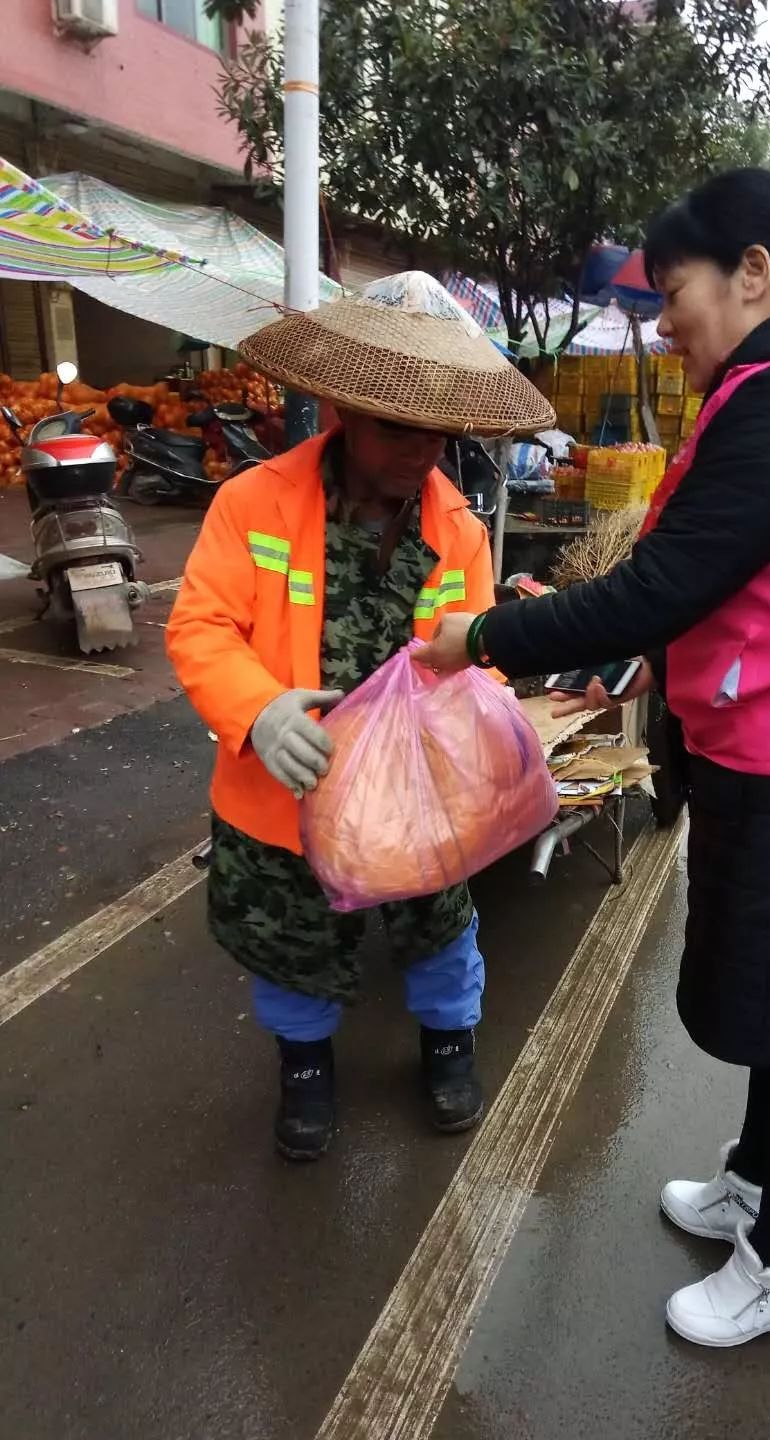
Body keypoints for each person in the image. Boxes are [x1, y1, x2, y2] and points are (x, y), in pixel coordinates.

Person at [416, 169, 770, 1348]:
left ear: (755, 271)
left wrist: (483, 638)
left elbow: (663, 583)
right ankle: (758, 1183)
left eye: (676, 292)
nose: (664, 323)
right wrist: (652, 664)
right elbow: (739, 591)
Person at [166, 273, 552, 1160]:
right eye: (395, 427)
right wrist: (258, 711)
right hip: (283, 790)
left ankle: (448, 1044)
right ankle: (304, 1066)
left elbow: (468, 654)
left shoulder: (458, 528)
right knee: (292, 942)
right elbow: (201, 625)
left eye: (436, 432)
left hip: (417, 794)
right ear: (344, 409)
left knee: (440, 929)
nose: (419, 451)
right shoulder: (252, 502)